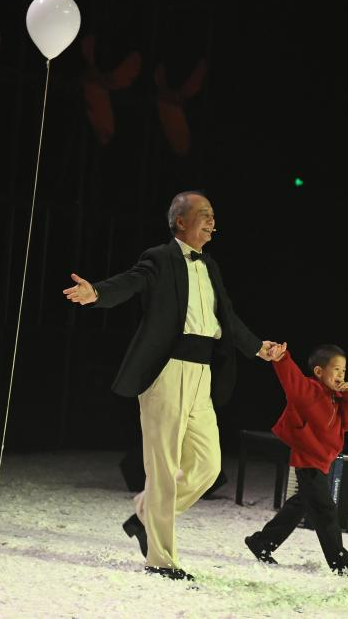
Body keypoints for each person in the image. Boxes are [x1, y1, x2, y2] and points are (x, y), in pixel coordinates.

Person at [63, 191, 278, 580]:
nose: (212, 222)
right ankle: (161, 560)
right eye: (204, 215)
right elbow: (131, 281)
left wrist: (257, 347)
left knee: (208, 467)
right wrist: (97, 292)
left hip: (201, 373)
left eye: (213, 216)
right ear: (181, 222)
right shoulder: (160, 258)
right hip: (167, 371)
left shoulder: (210, 266)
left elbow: (226, 317)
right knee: (163, 469)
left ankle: (146, 513)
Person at [244, 343, 348, 577]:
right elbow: (292, 379)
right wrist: (282, 358)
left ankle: (262, 542)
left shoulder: (338, 397)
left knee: (300, 505)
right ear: (319, 371)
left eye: (344, 370)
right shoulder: (309, 391)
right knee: (325, 510)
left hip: (322, 461)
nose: (341, 375)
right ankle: (340, 562)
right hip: (308, 460)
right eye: (336, 369)